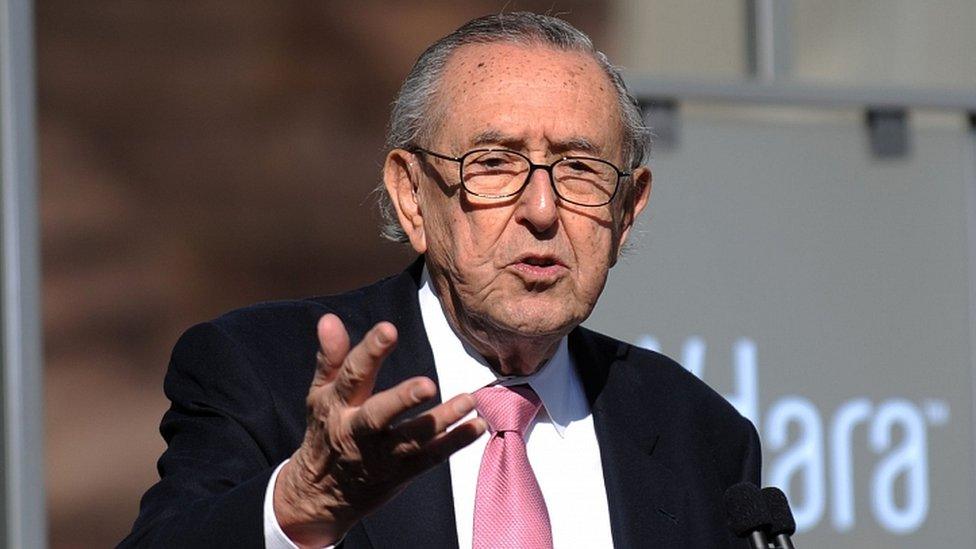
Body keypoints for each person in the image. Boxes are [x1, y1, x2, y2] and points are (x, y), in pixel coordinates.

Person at [121, 12, 760, 549]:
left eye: (580, 170)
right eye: (494, 164)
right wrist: (294, 511)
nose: (542, 211)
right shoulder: (263, 373)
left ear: (626, 211)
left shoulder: (698, 437)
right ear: (412, 197)